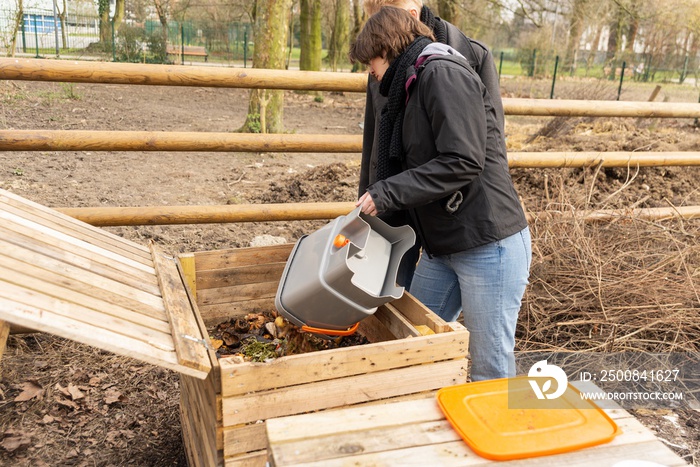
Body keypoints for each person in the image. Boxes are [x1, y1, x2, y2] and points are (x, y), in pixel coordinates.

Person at [349, 6, 531, 381]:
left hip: (486, 243)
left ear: (388, 48)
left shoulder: (442, 73)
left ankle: (494, 436)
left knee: (489, 367)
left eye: (371, 60)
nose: (370, 71)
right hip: (442, 245)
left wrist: (387, 193)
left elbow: (463, 160)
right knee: (411, 343)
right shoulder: (408, 84)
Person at [359, 0, 504, 291]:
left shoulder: (448, 67)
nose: (373, 38)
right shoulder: (390, 67)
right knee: (413, 322)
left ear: (408, 18)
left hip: (467, 227)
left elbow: (478, 152)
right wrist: (372, 201)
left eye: (380, 28)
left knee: (483, 336)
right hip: (413, 217)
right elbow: (375, 144)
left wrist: (388, 192)